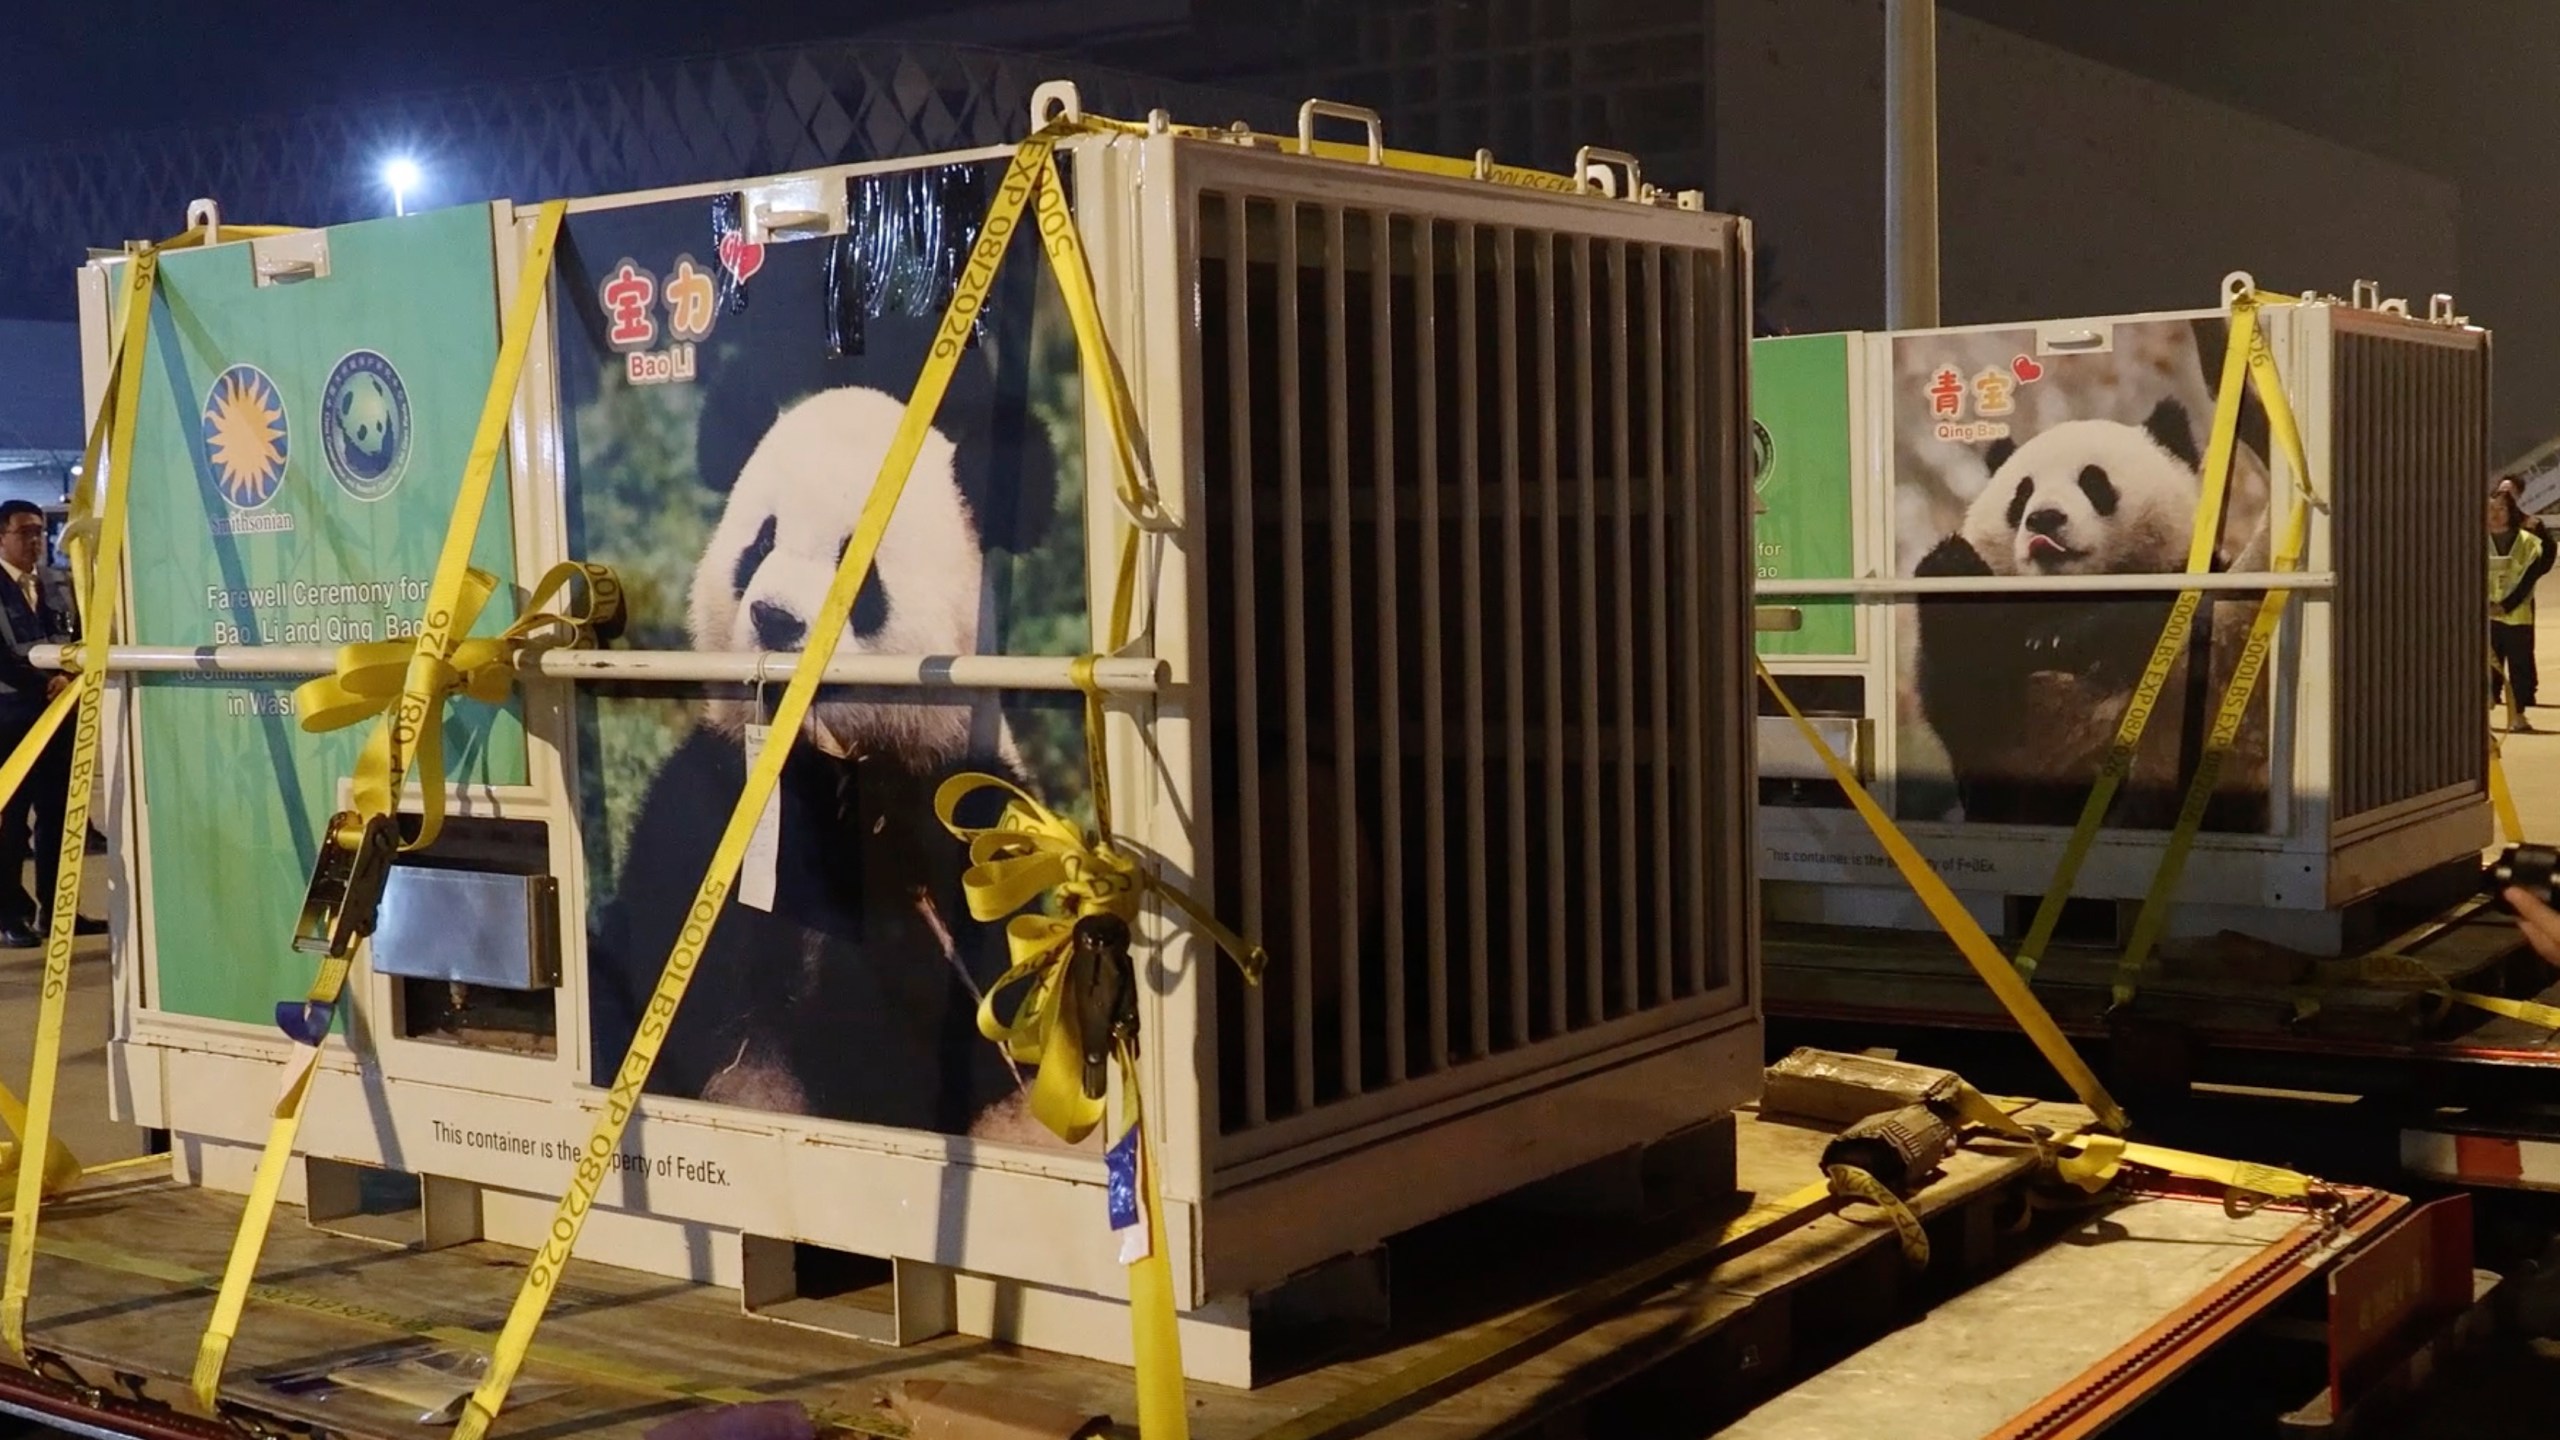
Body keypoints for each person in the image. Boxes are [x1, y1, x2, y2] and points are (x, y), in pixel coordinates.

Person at [0, 500, 104, 947]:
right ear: (2, 536)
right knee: (10, 824)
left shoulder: (57, 584)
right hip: (10, 721)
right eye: (24, 532)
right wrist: (44, 683)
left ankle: (58, 911)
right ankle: (10, 915)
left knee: (60, 821)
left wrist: (73, 676)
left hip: (59, 718)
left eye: (39, 532)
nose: (34, 540)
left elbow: (79, 638)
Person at [2491, 488, 2544, 733]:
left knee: (2519, 665)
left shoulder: (2527, 542)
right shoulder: (2474, 540)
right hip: (2485, 616)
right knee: (2488, 667)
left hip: (2517, 613)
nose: (2495, 514)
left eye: (2501, 508)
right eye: (2490, 509)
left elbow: (2529, 578)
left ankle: (2519, 714)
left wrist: (2506, 605)